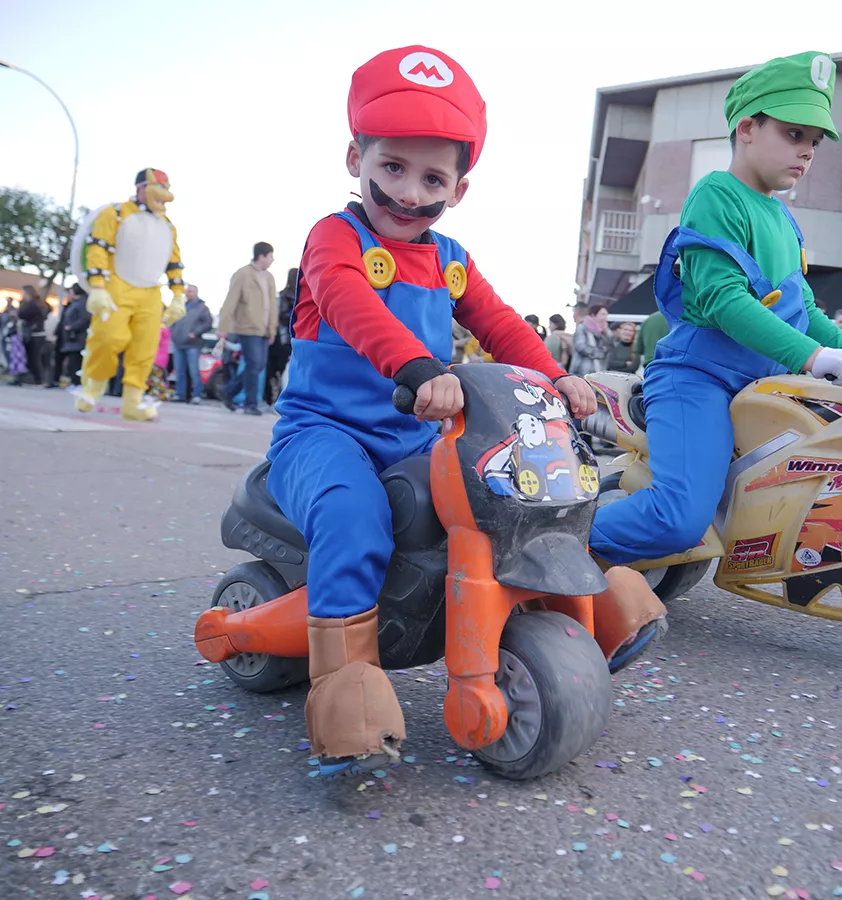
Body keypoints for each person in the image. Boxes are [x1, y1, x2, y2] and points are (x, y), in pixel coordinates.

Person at [265, 45, 661, 774]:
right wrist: (419, 368)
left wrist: (558, 379)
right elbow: (352, 307)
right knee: (354, 516)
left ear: (460, 187)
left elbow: (501, 324)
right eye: (392, 168)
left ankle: (586, 606)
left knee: (520, 487)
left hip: (419, 431)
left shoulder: (450, 256)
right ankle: (346, 686)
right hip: (325, 434)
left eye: (432, 177)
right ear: (355, 156)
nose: (410, 194)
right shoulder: (335, 237)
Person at [590, 50, 842, 564]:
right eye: (793, 133)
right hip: (696, 380)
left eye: (813, 141)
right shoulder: (717, 194)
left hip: (756, 389)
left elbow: (803, 310)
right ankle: (537, 541)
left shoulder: (784, 220)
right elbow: (723, 300)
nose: (807, 150)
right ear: (746, 128)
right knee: (676, 517)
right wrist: (813, 357)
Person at [73, 169, 188, 421]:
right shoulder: (114, 213)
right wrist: (98, 287)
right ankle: (93, 385)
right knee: (108, 338)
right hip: (116, 287)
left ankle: (133, 401)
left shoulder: (168, 226)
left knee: (144, 347)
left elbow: (173, 262)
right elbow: (97, 249)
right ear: (141, 188)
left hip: (150, 293)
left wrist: (178, 295)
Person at [217, 242, 278, 416]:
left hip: (264, 329)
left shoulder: (270, 278)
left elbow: (272, 304)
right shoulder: (243, 274)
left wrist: (272, 329)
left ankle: (228, 390)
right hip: (247, 327)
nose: (272, 260)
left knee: (258, 366)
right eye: (271, 256)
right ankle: (250, 404)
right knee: (253, 365)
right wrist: (223, 326)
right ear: (262, 256)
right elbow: (231, 300)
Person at [170, 284, 213, 403]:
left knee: (194, 370)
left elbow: (208, 323)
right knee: (179, 371)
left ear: (196, 293)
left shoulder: (202, 308)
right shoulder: (181, 306)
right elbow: (172, 320)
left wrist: (196, 332)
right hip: (178, 343)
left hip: (193, 344)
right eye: (187, 291)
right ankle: (180, 394)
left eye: (190, 291)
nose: (188, 293)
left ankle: (197, 394)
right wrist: (173, 333)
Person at [265, 268, 297, 405]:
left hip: (283, 338)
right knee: (283, 370)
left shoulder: (283, 296)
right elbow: (283, 317)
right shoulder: (288, 297)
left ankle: (278, 399)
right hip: (285, 339)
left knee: (280, 372)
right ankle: (279, 399)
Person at [10, 285, 49, 386]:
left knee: (33, 358)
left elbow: (22, 313)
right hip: (35, 333)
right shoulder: (38, 304)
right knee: (32, 358)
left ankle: (37, 379)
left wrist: (17, 313)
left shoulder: (32, 305)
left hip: (33, 334)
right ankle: (34, 379)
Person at [57, 284, 90, 386]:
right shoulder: (75, 303)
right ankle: (74, 381)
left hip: (77, 338)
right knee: (72, 361)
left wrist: (72, 327)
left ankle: (77, 382)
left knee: (76, 361)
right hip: (72, 338)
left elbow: (85, 318)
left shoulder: (82, 303)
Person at [570, 303, 612, 375]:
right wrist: (600, 353)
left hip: (598, 371)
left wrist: (606, 332)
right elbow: (581, 347)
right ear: (593, 315)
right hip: (582, 371)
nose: (605, 317)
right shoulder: (582, 327)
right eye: (602, 314)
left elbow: (611, 346)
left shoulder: (604, 330)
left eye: (606, 315)